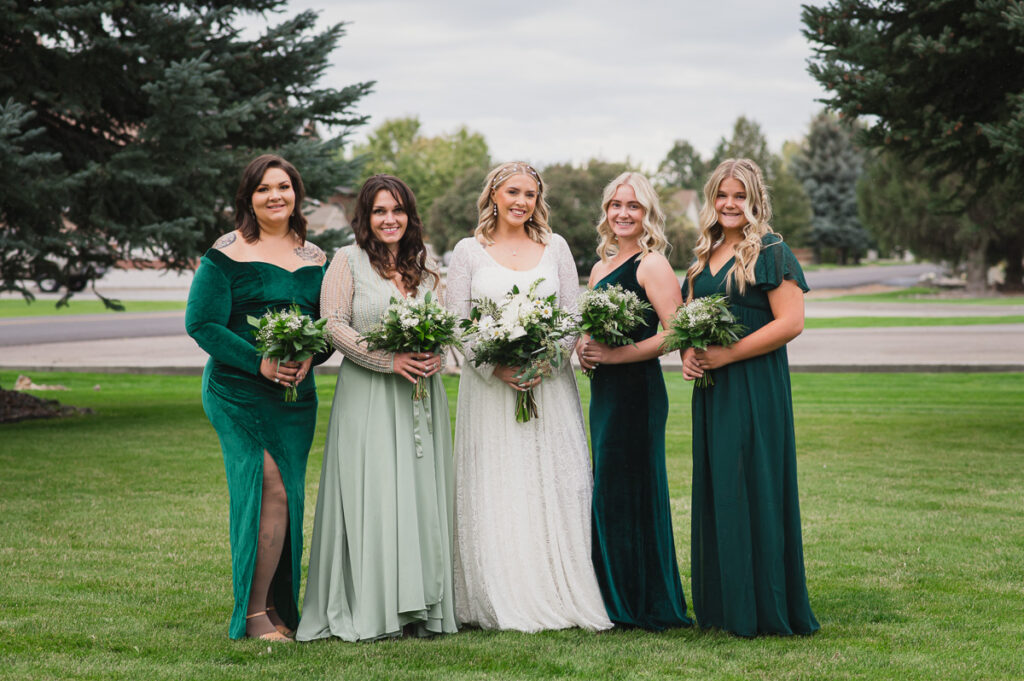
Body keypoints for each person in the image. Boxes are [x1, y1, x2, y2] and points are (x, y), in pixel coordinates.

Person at [446, 161, 612, 632]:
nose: (521, 201)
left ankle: (558, 588)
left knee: (554, 483)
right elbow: (457, 321)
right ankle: (499, 590)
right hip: (490, 390)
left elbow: (571, 315)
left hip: (548, 385)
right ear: (493, 195)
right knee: (498, 484)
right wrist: (494, 365)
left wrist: (546, 362)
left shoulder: (555, 247)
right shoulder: (467, 251)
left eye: (530, 194)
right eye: (513, 192)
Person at [296, 174, 457, 642]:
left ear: (410, 215)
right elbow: (332, 324)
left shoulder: (425, 265)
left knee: (419, 495)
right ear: (364, 218)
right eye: (380, 211)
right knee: (375, 492)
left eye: (398, 210)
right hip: (368, 393)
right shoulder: (346, 260)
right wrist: (387, 359)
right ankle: (373, 606)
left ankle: (421, 606)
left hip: (421, 396)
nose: (390, 219)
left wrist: (436, 355)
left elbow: (443, 323)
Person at [185, 154, 330, 641]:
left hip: (294, 398)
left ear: (296, 194)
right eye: (264, 188)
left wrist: (312, 355)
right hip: (236, 391)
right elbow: (201, 324)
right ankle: (251, 614)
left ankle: (275, 606)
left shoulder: (317, 257)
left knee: (287, 495)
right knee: (265, 486)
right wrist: (259, 361)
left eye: (283, 186)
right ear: (248, 198)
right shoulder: (225, 253)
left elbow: (329, 325)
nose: (275, 196)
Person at [680, 158, 819, 637]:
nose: (729, 204)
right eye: (722, 195)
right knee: (721, 486)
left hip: (756, 385)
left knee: (753, 482)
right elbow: (687, 319)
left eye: (739, 196)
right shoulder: (704, 256)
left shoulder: (772, 250)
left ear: (755, 200)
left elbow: (791, 322)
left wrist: (728, 355)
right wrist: (689, 354)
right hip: (713, 390)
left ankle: (761, 606)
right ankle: (724, 605)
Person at [576, 172, 694, 630]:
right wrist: (585, 347)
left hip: (638, 393)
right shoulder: (600, 268)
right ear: (606, 211)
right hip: (605, 392)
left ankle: (645, 602)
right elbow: (593, 328)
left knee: (634, 492)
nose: (623, 213)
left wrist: (616, 355)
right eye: (616, 205)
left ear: (648, 214)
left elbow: (675, 332)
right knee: (608, 491)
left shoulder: (652, 264)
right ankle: (611, 596)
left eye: (633, 206)